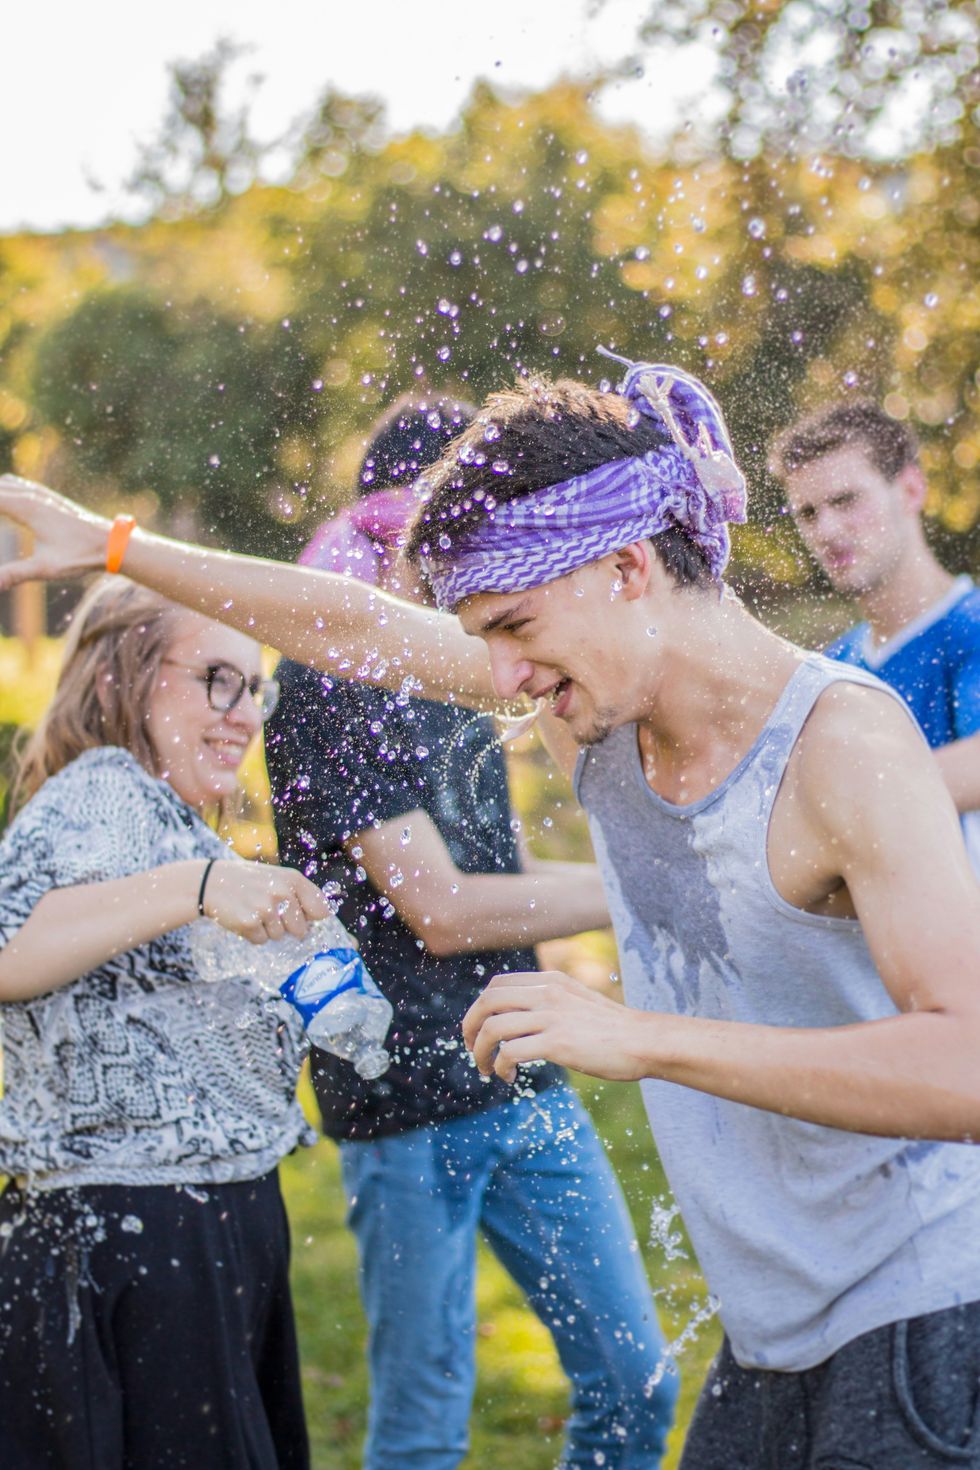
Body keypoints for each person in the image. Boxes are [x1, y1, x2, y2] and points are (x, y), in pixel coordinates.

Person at [2, 355, 980, 1467]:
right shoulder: (601, 707)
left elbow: (964, 1068)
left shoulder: (843, 745)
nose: (501, 676)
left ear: (623, 567)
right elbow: (346, 623)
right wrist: (118, 548)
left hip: (919, 1318)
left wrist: (640, 1037)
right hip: (770, 1336)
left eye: (513, 627)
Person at [264, 394, 678, 1470]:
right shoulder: (331, 678)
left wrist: (626, 877)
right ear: (409, 523)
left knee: (635, 1383)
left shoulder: (473, 657)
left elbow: (501, 878)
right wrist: (633, 891)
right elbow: (441, 909)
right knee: (422, 1429)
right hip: (404, 1098)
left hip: (522, 1068)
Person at [0, 574, 332, 1470]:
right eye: (215, 680)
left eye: (252, 688)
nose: (243, 713)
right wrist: (196, 888)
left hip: (197, 1242)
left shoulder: (165, 821)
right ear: (122, 678)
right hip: (133, 1252)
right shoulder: (101, 791)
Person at [772, 399, 980, 871]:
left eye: (846, 500)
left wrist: (827, 801)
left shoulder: (972, 628)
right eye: (808, 513)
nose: (826, 529)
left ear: (909, 490)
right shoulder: (831, 668)